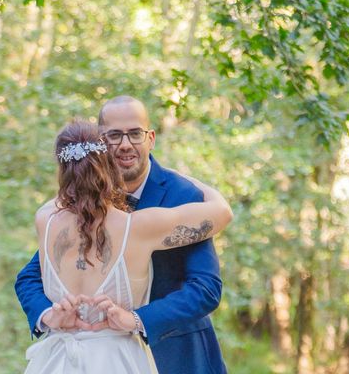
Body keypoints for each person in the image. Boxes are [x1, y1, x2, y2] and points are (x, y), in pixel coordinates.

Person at [16, 96, 229, 373]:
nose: (125, 144)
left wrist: (139, 319)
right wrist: (48, 315)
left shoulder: (184, 195)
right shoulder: (71, 212)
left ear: (150, 138)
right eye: (114, 136)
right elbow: (31, 276)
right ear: (101, 146)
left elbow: (206, 288)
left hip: (179, 356)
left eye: (135, 134)